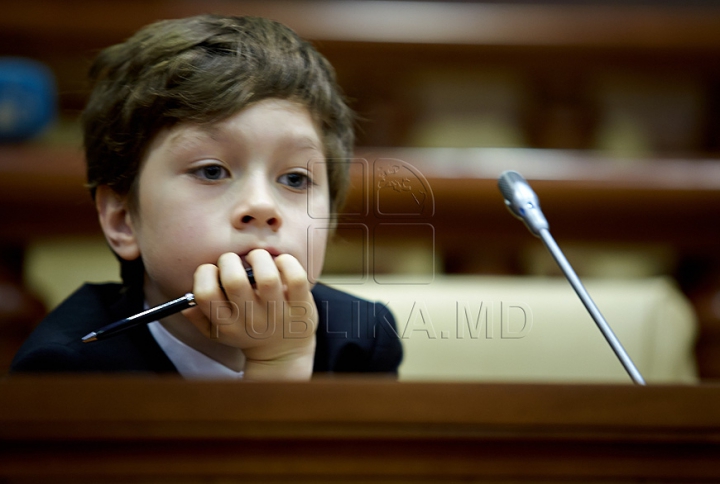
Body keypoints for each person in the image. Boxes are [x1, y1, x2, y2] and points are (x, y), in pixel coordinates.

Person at [11, 14, 403, 379]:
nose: (262, 206)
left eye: (296, 179)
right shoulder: (67, 370)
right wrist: (276, 365)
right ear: (123, 219)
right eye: (211, 171)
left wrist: (286, 355)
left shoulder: (363, 339)